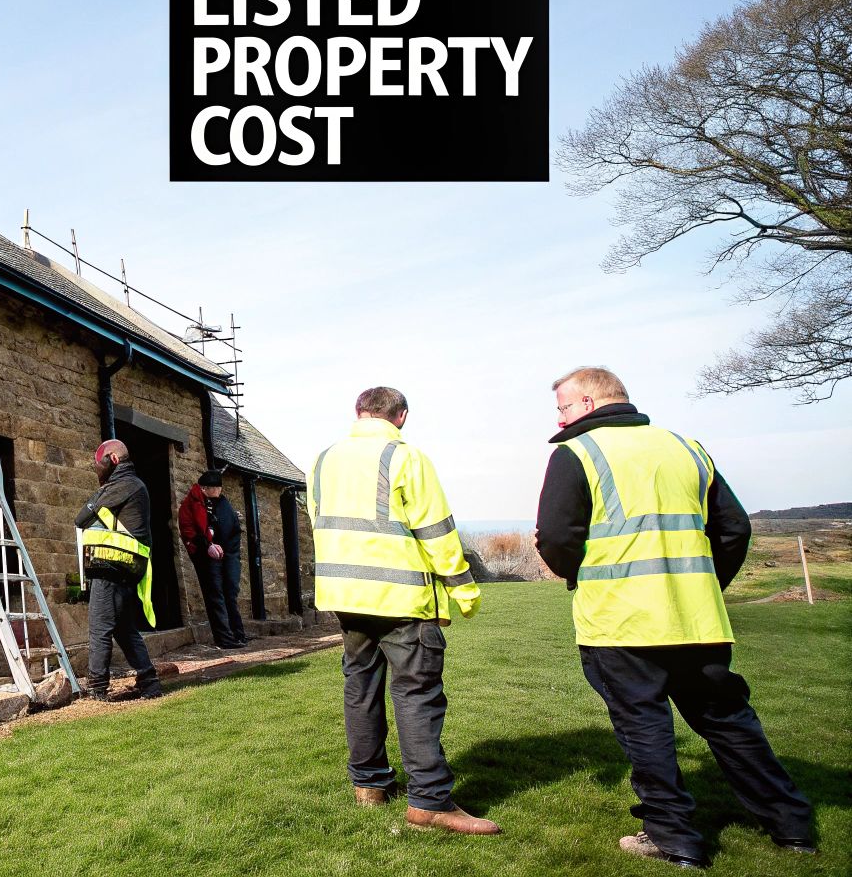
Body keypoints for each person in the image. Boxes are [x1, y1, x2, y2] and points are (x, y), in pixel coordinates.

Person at [536, 367, 814, 867]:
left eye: (563, 407)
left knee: (644, 727)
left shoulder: (578, 452)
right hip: (696, 618)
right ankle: (791, 826)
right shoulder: (687, 447)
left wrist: (577, 572)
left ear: (588, 404)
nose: (559, 418)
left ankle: (674, 837)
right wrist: (704, 585)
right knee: (729, 721)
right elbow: (734, 528)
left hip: (619, 621)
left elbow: (556, 538)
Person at [308, 386, 498, 835]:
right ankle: (430, 802)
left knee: (361, 686)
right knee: (417, 693)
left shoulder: (322, 460)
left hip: (344, 596)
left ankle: (369, 786)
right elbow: (436, 531)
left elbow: (319, 521)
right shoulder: (406, 458)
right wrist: (463, 590)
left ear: (358, 412)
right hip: (400, 597)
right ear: (402, 416)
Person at [75, 438, 164, 701]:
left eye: (98, 464)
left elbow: (81, 518)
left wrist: (99, 495)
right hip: (125, 567)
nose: (97, 469)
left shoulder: (123, 485)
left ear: (113, 459)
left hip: (111, 565)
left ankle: (96, 688)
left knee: (99, 627)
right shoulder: (133, 484)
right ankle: (149, 681)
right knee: (123, 628)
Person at [179, 468, 249, 649]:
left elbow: (228, 528)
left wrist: (226, 549)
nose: (219, 491)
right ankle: (225, 638)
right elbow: (190, 530)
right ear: (205, 488)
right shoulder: (192, 503)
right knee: (215, 595)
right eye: (216, 488)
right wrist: (208, 545)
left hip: (225, 553)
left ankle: (237, 634)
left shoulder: (217, 502)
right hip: (206, 555)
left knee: (229, 593)